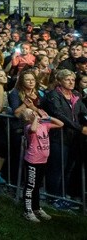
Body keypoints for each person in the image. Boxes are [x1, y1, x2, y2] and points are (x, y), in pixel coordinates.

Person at [40, 68, 87, 208]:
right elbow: (59, 114)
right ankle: (53, 196)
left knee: (68, 168)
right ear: (59, 81)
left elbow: (84, 112)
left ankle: (62, 195)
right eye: (67, 79)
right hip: (57, 136)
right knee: (56, 167)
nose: (71, 82)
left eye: (73, 79)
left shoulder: (76, 95)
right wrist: (80, 128)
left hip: (73, 138)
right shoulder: (53, 95)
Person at [19, 109, 63, 222]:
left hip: (43, 161)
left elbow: (60, 124)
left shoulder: (44, 125)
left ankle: (36, 208)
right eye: (31, 113)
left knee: (37, 186)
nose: (34, 113)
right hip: (32, 161)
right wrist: (36, 119)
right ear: (28, 118)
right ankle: (27, 210)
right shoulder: (28, 127)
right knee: (30, 186)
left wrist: (48, 117)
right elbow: (33, 129)